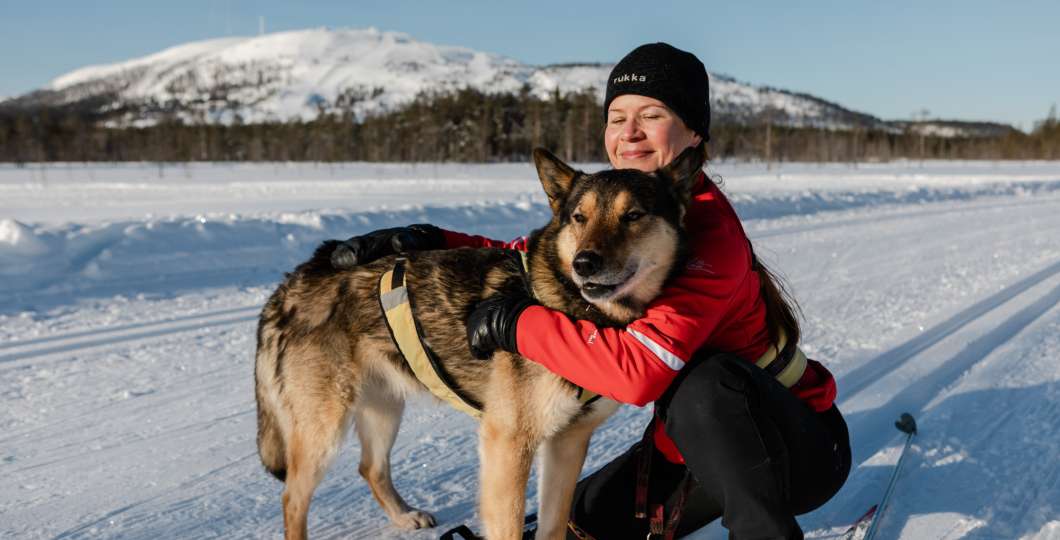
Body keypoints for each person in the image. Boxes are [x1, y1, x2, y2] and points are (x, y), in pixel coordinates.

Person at [331, 43, 850, 540]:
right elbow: (539, 255)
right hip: (695, 448)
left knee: (703, 385)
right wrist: (437, 241)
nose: (631, 132)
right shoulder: (621, 207)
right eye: (618, 117)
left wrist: (519, 324)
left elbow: (639, 372)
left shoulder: (708, 239)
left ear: (693, 133)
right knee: (581, 522)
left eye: (652, 115)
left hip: (796, 451)